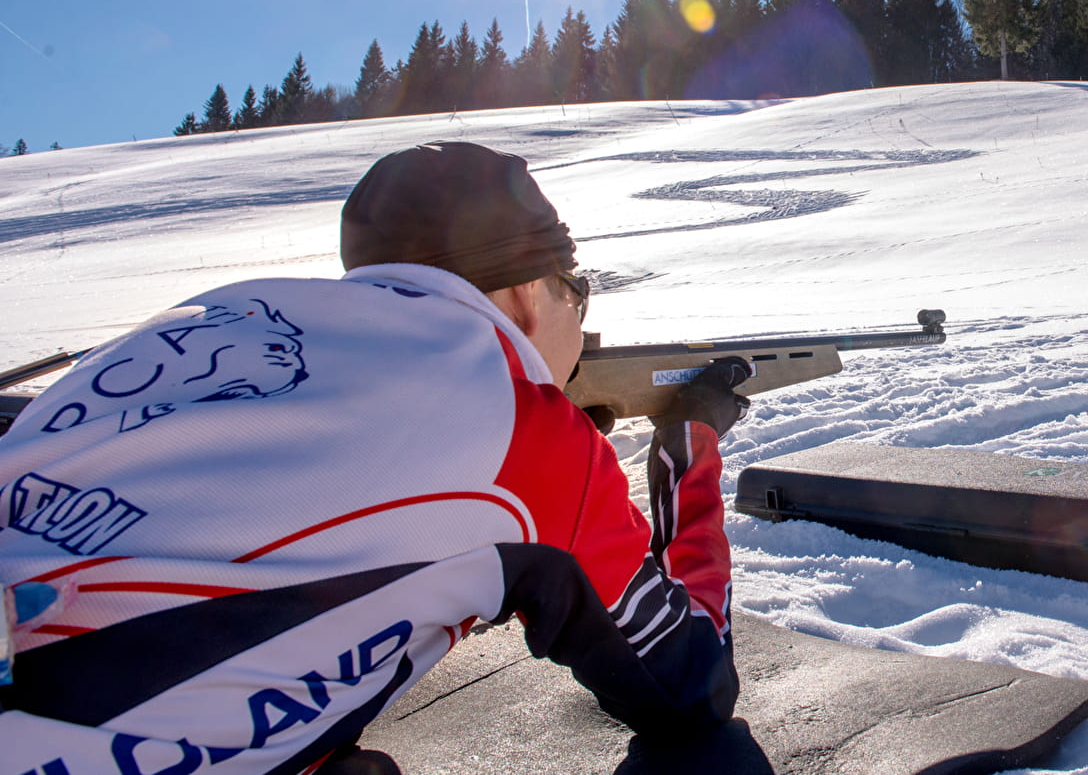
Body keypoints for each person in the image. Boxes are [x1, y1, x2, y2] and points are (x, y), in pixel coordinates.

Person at [0, 141, 745, 774]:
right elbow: (686, 680)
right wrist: (690, 442)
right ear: (525, 296)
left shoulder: (218, 311)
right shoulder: (523, 424)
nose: (582, 319)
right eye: (576, 294)